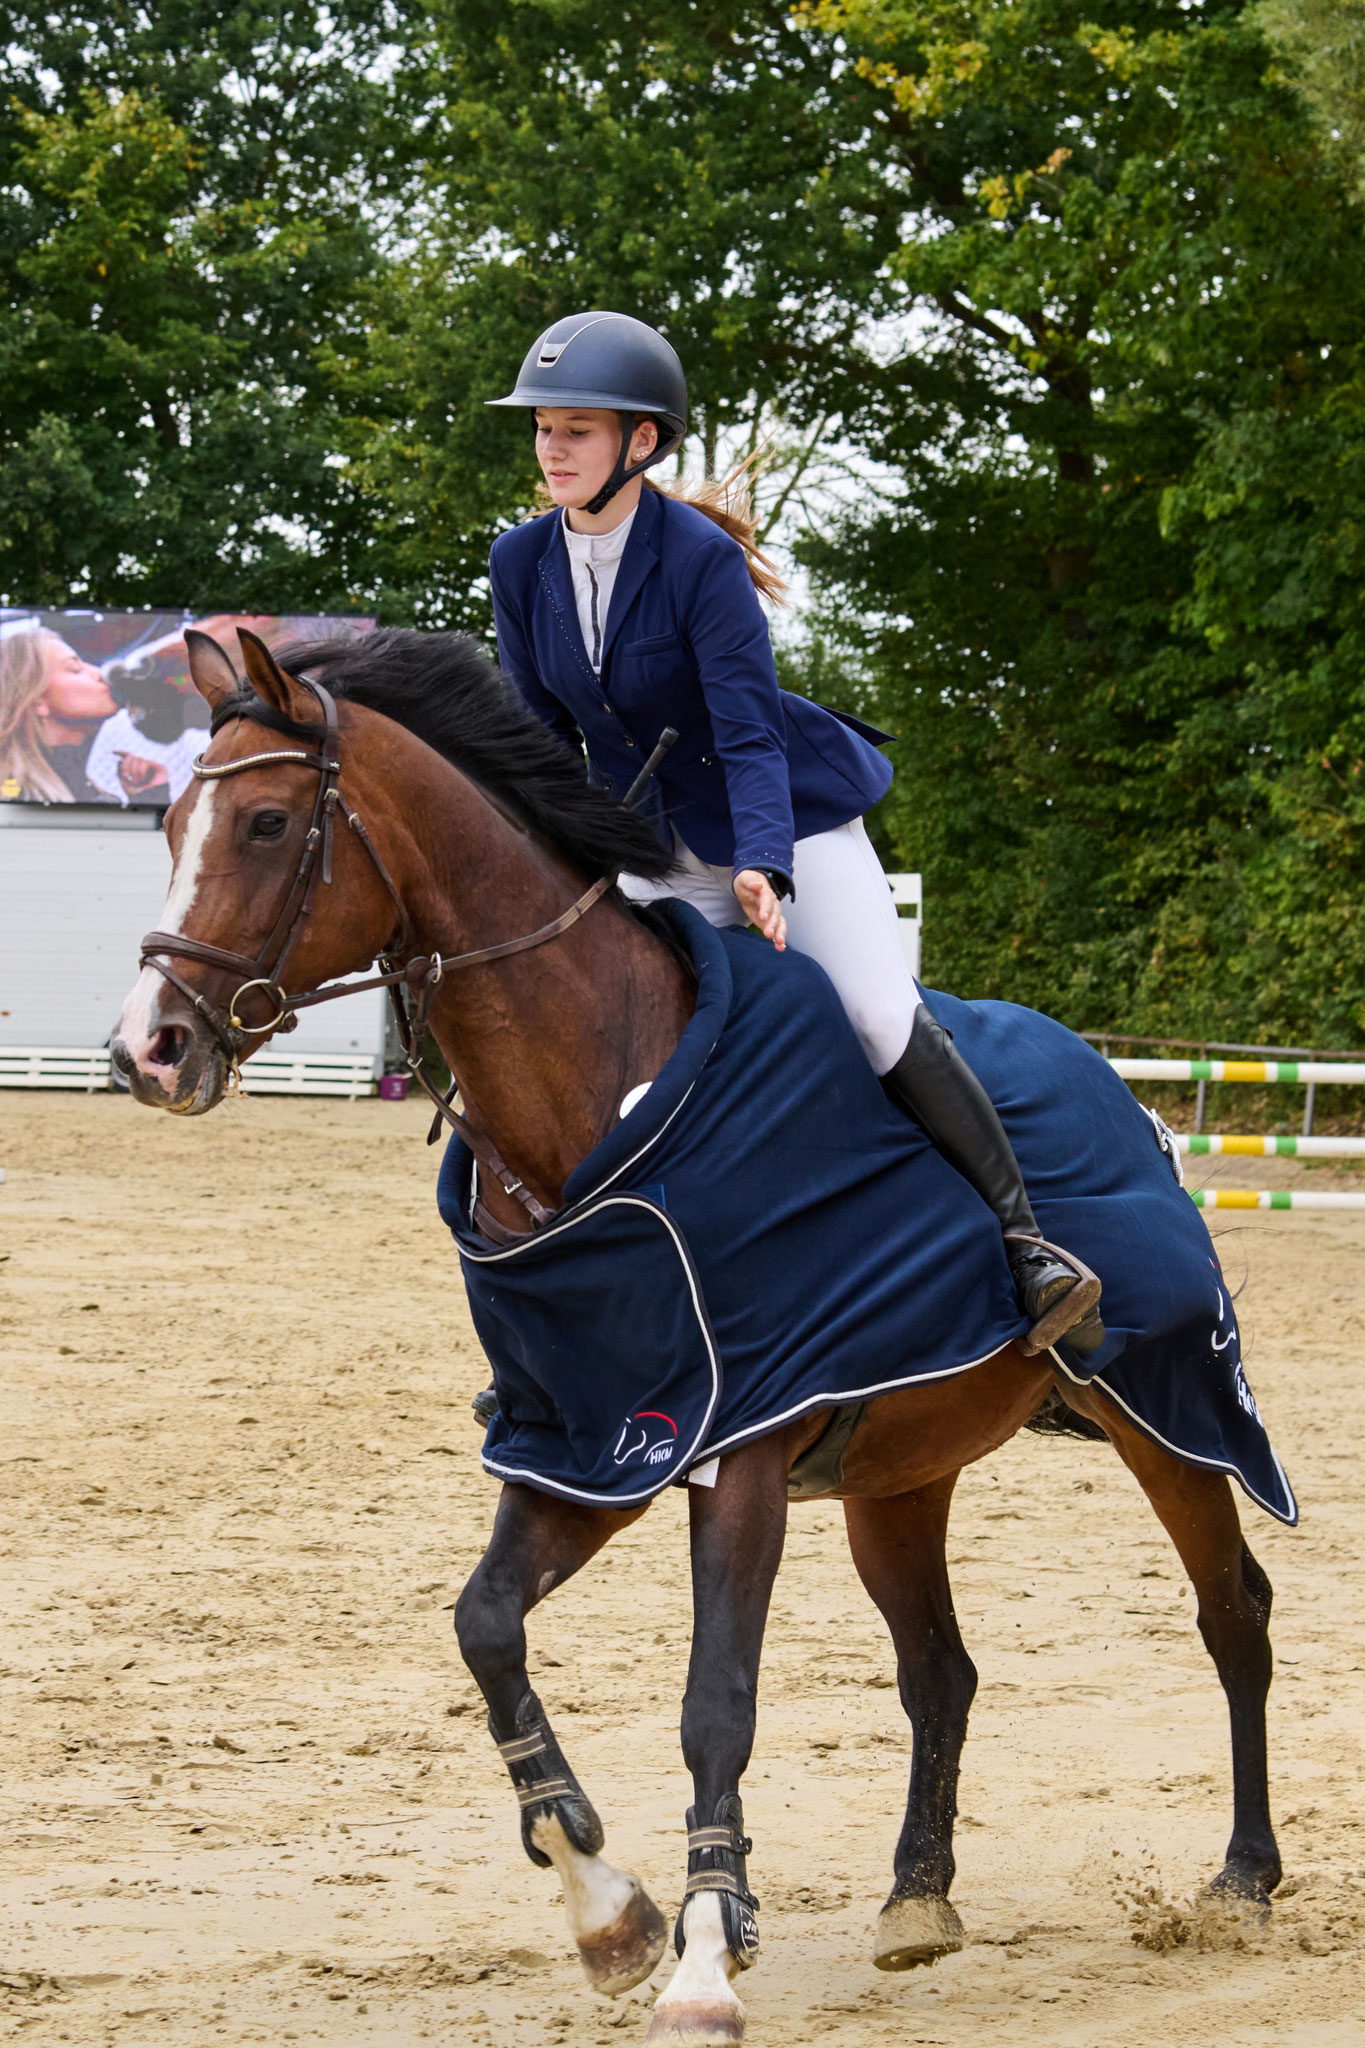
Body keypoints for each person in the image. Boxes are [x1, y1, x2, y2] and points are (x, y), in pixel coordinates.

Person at [485, 310, 1101, 1351]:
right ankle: (577, 1311)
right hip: (650, 840)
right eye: (544, 425)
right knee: (597, 1033)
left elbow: (750, 730)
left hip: (782, 815)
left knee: (867, 1010)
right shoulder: (520, 562)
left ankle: (1024, 1242)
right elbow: (540, 738)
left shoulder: (695, 560)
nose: (552, 446)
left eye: (577, 428)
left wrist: (764, 863)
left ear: (641, 442)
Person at [0, 619, 165, 803]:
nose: (98, 673)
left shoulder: (79, 788)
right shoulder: (17, 797)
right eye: (75, 669)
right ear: (37, 702)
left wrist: (148, 795)